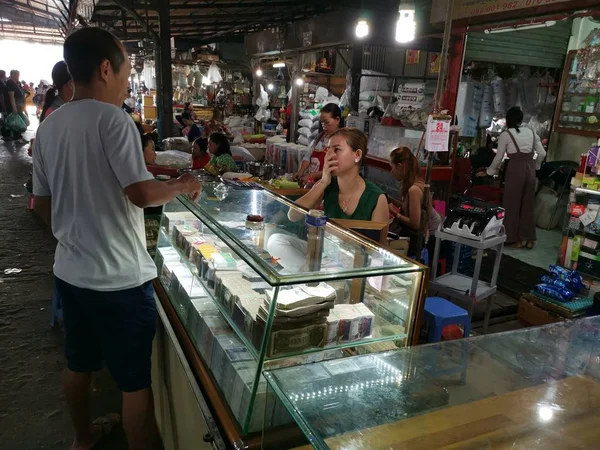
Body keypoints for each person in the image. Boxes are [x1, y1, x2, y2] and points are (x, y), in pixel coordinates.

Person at [32, 27, 202, 450]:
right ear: (105, 68)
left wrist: (71, 236)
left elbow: (40, 204)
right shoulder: (115, 120)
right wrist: (182, 184)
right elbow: (141, 193)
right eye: (126, 74)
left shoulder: (50, 127)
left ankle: (82, 439)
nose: (127, 82)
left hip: (72, 274)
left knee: (79, 364)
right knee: (132, 383)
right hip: (121, 281)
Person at [270, 128, 388, 271]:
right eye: (328, 149)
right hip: (324, 255)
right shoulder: (328, 185)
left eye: (337, 150)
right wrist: (323, 182)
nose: (329, 155)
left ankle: (309, 278)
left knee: (287, 275)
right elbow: (293, 215)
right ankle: (311, 278)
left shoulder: (376, 198)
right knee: (275, 241)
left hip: (352, 265)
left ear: (357, 155)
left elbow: (378, 253)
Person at [477, 107, 546, 249]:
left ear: (507, 121)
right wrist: (536, 167)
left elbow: (498, 157)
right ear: (521, 120)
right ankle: (528, 239)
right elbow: (542, 153)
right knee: (528, 204)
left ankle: (513, 239)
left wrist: (489, 172)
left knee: (512, 204)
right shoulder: (532, 133)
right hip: (530, 169)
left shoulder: (506, 135)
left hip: (515, 169)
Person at [388, 146, 441, 258]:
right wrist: (391, 200)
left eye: (392, 167)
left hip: (427, 239)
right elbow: (410, 208)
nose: (391, 171)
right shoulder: (416, 183)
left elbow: (415, 223)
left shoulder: (414, 189)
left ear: (400, 166)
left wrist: (394, 213)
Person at [294, 103, 342, 183]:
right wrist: (301, 171)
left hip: (329, 184)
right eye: (322, 122)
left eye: (327, 122)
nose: (324, 125)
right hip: (314, 182)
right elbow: (308, 156)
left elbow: (335, 166)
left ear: (337, 119)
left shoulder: (341, 140)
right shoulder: (320, 136)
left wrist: (313, 175)